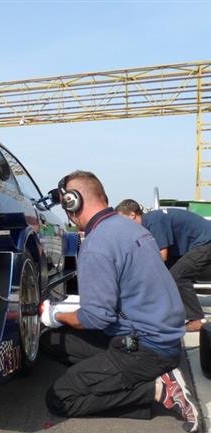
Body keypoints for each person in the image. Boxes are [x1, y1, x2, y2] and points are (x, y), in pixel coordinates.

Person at [41, 171, 199, 432]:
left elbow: (96, 317)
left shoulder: (96, 244)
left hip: (147, 349)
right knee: (52, 341)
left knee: (60, 398)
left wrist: (55, 314)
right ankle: (115, 377)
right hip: (156, 336)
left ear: (72, 202)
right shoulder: (128, 227)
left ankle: (157, 389)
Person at [116, 199, 211, 332]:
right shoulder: (148, 224)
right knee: (166, 275)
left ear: (132, 215)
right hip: (196, 244)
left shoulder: (154, 221)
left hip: (206, 242)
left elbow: (162, 256)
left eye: (121, 219)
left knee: (178, 277)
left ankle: (197, 320)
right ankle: (163, 313)